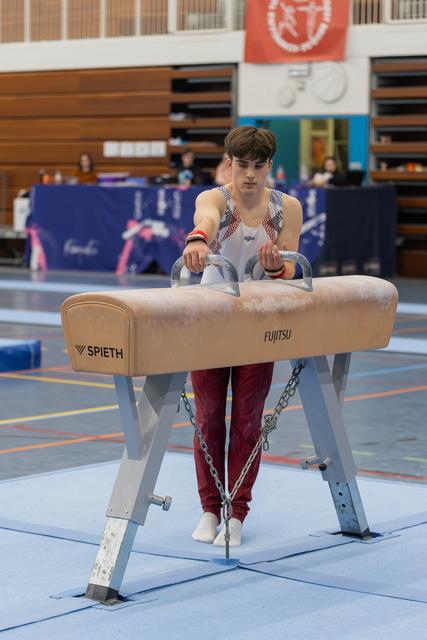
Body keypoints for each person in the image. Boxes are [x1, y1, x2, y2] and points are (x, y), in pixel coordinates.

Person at [182, 125, 303, 547]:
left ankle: (238, 511)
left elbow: (290, 267)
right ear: (229, 164)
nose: (249, 176)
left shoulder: (287, 207)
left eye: (258, 166)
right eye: (241, 166)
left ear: (271, 166)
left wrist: (275, 267)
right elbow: (207, 221)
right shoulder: (216, 197)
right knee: (209, 418)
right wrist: (198, 241)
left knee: (248, 420)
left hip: (258, 324)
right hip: (212, 320)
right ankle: (209, 509)